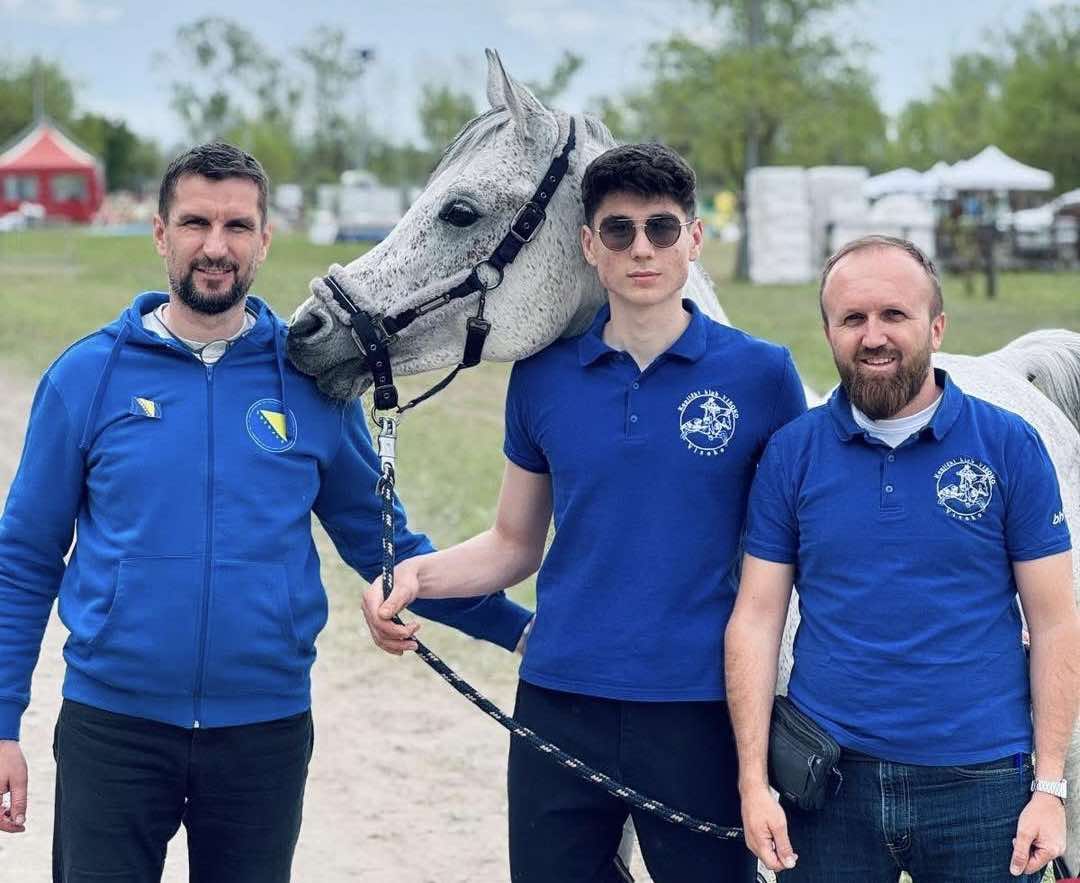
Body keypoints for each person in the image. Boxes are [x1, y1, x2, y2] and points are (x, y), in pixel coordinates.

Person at [0, 142, 532, 882]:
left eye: (237, 226)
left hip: (263, 730)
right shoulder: (87, 376)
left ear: (264, 239)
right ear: (160, 233)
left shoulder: (313, 384)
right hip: (113, 727)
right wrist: (3, 723)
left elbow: (386, 549)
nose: (215, 247)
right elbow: (24, 559)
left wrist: (521, 632)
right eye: (195, 223)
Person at [363, 143, 807, 882]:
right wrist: (413, 577)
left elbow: (796, 552)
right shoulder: (542, 377)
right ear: (589, 245)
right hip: (558, 697)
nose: (642, 249)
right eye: (619, 230)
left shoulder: (762, 375)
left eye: (662, 228)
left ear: (694, 239)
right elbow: (513, 543)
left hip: (699, 706)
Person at [725, 234, 1079, 882]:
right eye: (852, 318)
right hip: (829, 785)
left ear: (936, 327)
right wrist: (754, 782)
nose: (874, 336)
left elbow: (1055, 621)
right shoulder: (791, 453)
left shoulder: (1010, 445)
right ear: (829, 333)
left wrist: (1050, 787)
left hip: (983, 785)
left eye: (894, 314)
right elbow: (755, 618)